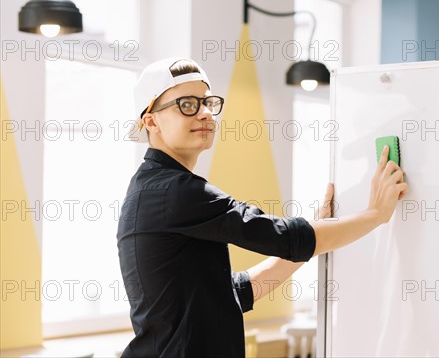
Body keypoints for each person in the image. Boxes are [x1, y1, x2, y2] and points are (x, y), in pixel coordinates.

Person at [117, 57, 408, 357]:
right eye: (187, 105)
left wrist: (318, 232)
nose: (205, 113)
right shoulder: (176, 193)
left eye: (207, 102)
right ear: (151, 121)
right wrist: (376, 213)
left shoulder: (152, 188)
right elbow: (284, 237)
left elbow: (234, 292)